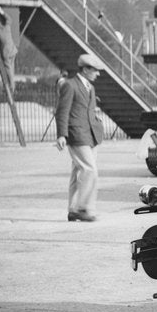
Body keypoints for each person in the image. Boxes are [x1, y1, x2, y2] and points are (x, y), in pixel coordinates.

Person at [55, 54, 106, 222]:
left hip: (91, 135)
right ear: (85, 69)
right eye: (95, 70)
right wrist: (61, 135)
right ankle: (83, 208)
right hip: (77, 134)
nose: (98, 74)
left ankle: (73, 209)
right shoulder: (70, 85)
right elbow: (62, 112)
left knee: (78, 172)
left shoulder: (90, 87)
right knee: (90, 170)